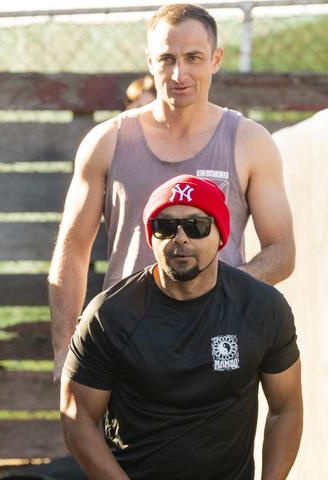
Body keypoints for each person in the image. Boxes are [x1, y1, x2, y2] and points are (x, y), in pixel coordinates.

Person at [60, 174, 303, 480]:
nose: (181, 239)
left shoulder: (260, 308)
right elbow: (78, 418)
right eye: (166, 227)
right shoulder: (111, 315)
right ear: (150, 237)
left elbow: (287, 407)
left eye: (196, 226)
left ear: (222, 235)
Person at [48, 3, 295, 382]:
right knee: (114, 443)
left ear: (216, 60)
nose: (179, 73)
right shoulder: (106, 141)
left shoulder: (249, 142)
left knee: (220, 443)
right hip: (126, 341)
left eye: (194, 58)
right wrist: (65, 347)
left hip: (218, 339)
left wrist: (216, 292)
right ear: (150, 61)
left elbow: (281, 252)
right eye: (167, 59)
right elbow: (73, 248)